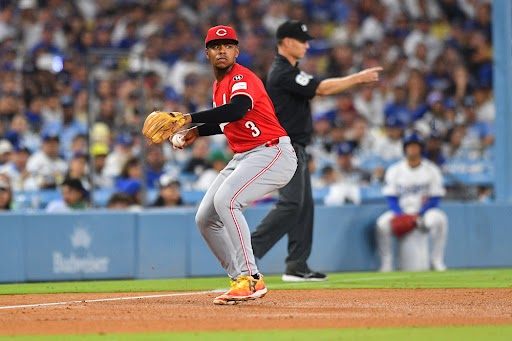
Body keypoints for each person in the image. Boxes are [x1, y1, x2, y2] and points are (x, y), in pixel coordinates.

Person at [159, 25, 297, 305]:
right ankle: (238, 278)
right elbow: (227, 121)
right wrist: (198, 131)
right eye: (215, 46)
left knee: (227, 201)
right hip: (246, 155)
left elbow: (238, 109)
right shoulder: (219, 86)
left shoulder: (241, 77)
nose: (222, 50)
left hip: (272, 151)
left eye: (228, 45)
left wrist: (188, 119)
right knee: (206, 218)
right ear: (207, 52)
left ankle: (252, 278)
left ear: (236, 50)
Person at [250, 20, 383, 281]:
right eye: (302, 40)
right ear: (287, 42)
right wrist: (357, 79)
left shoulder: (288, 70)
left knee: (304, 206)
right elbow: (321, 88)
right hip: (282, 147)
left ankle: (297, 264)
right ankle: (247, 251)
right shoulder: (282, 72)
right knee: (291, 204)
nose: (307, 45)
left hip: (295, 146)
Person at [375, 132, 448, 272]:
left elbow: (436, 197)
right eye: (409, 146)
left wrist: (420, 214)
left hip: (424, 213)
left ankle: (437, 261)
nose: (412, 149)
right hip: (401, 211)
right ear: (404, 149)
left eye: (415, 146)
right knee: (382, 224)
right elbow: (391, 197)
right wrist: (399, 214)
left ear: (421, 148)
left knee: (439, 219)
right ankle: (386, 264)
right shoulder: (395, 170)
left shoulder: (431, 169)